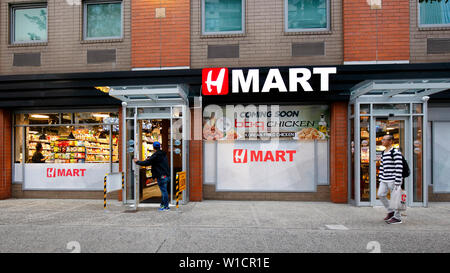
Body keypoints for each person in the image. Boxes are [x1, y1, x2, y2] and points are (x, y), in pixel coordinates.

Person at [133, 141, 171, 211]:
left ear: (153, 147)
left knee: (164, 191)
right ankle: (163, 205)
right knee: (164, 191)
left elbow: (147, 163)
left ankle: (166, 206)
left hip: (161, 175)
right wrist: (150, 159)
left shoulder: (156, 155)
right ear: (160, 147)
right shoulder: (163, 154)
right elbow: (155, 161)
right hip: (166, 175)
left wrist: (137, 162)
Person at [378, 134, 403, 224]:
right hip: (384, 178)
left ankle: (397, 217)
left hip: (393, 179)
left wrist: (398, 180)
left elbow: (399, 167)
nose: (382, 141)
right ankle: (390, 211)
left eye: (384, 139)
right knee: (380, 194)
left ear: (390, 141)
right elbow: (382, 166)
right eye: (382, 139)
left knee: (395, 198)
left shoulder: (395, 152)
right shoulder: (383, 152)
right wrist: (380, 177)